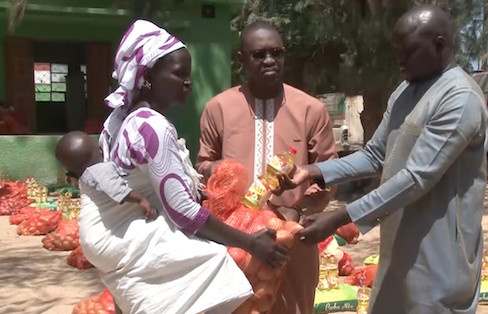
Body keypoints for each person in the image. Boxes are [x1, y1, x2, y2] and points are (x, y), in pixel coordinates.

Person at [277, 5, 488, 313]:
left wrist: (339, 218)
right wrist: (312, 171)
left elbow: (417, 178)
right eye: (397, 51)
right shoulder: (405, 91)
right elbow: (376, 155)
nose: (400, 60)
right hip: (398, 243)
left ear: (440, 45)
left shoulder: (460, 98)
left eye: (409, 51)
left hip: (440, 252)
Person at [77, 19, 288, 314]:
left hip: (120, 239)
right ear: (148, 77)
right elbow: (183, 213)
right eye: (179, 74)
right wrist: (250, 243)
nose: (188, 82)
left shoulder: (123, 120)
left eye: (189, 74)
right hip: (135, 238)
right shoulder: (153, 127)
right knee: (218, 267)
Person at [196, 21, 337, 314]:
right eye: (260, 54)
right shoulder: (218, 108)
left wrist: (296, 210)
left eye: (277, 53)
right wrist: (217, 169)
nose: (270, 60)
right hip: (236, 240)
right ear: (242, 59)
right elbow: (201, 167)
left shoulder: (311, 110)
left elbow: (328, 174)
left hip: (292, 239)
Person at [55, 131, 157, 220]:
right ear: (100, 150)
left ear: (71, 175)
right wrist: (141, 200)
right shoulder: (99, 170)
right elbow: (117, 189)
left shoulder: (88, 175)